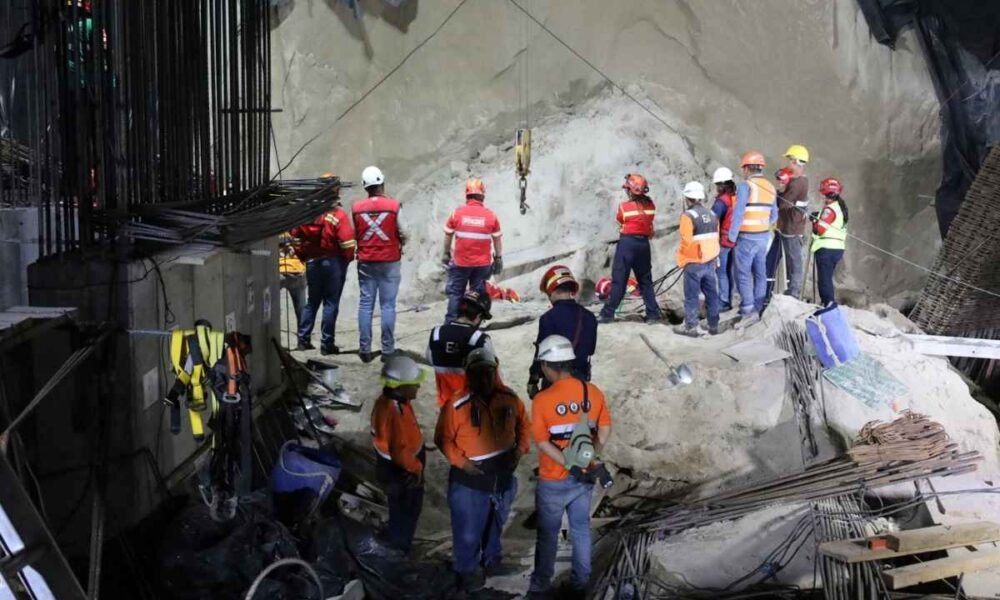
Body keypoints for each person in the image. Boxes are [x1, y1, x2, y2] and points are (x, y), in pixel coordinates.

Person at [434, 348, 530, 593]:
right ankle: (467, 571)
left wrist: (520, 450)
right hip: (470, 482)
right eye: (478, 373)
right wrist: (462, 463)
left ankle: (491, 561)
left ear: (494, 372)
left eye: (488, 372)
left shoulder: (509, 398)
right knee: (468, 532)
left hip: (502, 478)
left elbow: (524, 425)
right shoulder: (456, 405)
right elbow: (443, 439)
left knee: (495, 524)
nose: (484, 379)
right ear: (469, 375)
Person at [527, 335, 612, 598]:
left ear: (546, 365)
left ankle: (540, 585)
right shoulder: (592, 392)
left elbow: (542, 442)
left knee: (548, 535)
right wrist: (588, 458)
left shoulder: (542, 400)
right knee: (580, 530)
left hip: (553, 479)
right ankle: (580, 584)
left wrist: (568, 463)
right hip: (584, 477)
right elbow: (604, 430)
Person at [370, 356, 428, 554]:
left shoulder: (391, 401)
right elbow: (400, 451)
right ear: (400, 387)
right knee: (406, 513)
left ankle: (398, 545)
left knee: (400, 512)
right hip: (403, 471)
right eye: (415, 383)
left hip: (393, 469)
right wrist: (416, 469)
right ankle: (399, 553)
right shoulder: (394, 411)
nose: (418, 386)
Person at [289, 186, 356, 353]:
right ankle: (327, 344)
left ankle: (303, 340)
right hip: (333, 262)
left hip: (312, 262)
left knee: (312, 302)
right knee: (331, 303)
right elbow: (347, 243)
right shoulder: (337, 215)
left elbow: (295, 237)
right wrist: (346, 260)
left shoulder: (308, 215)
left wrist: (303, 256)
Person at [353, 165, 406, 363]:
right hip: (390, 261)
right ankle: (387, 350)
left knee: (366, 304)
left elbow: (356, 234)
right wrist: (400, 245)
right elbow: (404, 232)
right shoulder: (394, 206)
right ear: (382, 183)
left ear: (365, 186)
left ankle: (365, 349)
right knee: (388, 306)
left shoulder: (356, 208)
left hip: (366, 261)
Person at [598, 173, 662, 324]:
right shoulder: (651, 205)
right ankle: (653, 315)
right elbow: (649, 222)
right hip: (644, 245)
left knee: (619, 280)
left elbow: (620, 220)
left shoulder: (624, 207)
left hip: (627, 244)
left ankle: (607, 314)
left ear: (630, 190)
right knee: (645, 281)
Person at [527, 265, 598, 399]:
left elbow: (541, 355)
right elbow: (591, 349)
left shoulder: (548, 318)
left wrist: (533, 379)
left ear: (552, 290)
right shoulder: (590, 317)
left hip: (554, 382)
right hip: (581, 383)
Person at [728, 151, 778, 327]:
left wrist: (731, 237)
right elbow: (774, 216)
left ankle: (748, 311)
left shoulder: (745, 186)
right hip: (763, 237)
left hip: (746, 237)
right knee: (760, 273)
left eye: (744, 168)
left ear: (747, 168)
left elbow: (738, 213)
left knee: (743, 274)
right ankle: (758, 308)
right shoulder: (770, 187)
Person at [443, 178, 504, 323]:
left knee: (456, 294)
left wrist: (446, 253)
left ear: (467, 195)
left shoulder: (456, 213)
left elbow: (448, 235)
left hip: (461, 263)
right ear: (482, 196)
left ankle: (451, 323)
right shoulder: (491, 216)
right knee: (477, 295)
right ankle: (474, 324)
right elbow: (497, 239)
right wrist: (498, 258)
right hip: (482, 265)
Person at [426, 290, 495, 407]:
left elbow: (430, 359)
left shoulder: (436, 334)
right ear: (478, 316)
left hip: (445, 407)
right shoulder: (480, 339)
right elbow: (492, 376)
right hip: (472, 407)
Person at [674, 181, 721, 337]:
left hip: (694, 262)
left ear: (687, 198)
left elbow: (686, 242)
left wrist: (682, 260)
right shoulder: (712, 214)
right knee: (712, 294)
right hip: (710, 261)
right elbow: (715, 237)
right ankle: (713, 325)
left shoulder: (688, 216)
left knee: (691, 296)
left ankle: (691, 326)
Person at [766, 145, 811, 303]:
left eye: (790, 161)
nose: (788, 164)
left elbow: (783, 203)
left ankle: (793, 293)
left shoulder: (798, 183)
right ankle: (767, 291)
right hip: (783, 228)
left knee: (793, 262)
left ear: (796, 162)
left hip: (792, 230)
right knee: (771, 260)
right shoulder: (795, 181)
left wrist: (778, 190)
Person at [812, 178, 848, 306]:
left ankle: (828, 305)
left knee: (824, 280)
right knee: (827, 278)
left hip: (826, 248)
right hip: (837, 248)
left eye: (823, 193)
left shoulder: (829, 209)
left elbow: (819, 230)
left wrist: (815, 221)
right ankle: (828, 304)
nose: (821, 196)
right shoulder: (840, 207)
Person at [711, 167, 738, 312]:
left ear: (722, 185)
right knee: (728, 271)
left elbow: (712, 221)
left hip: (722, 242)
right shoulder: (735, 198)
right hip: (733, 240)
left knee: (721, 272)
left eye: (717, 184)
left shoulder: (721, 202)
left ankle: (723, 301)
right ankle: (728, 299)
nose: (716, 187)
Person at [278, 232, 307, 329]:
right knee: (301, 309)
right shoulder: (301, 229)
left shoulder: (275, 229)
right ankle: (303, 336)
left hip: (279, 272)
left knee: (268, 306)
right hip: (298, 271)